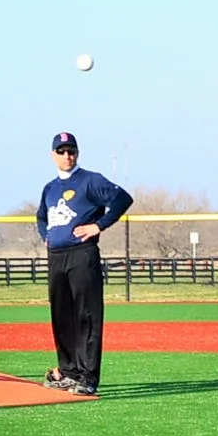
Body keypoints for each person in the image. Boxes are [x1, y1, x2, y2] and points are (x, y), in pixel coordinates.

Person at [36, 131, 133, 395]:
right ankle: (69, 372)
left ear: (77, 153)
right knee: (62, 317)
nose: (67, 156)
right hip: (57, 257)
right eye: (62, 151)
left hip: (82, 254)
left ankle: (88, 377)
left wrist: (98, 225)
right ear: (53, 155)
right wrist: (46, 236)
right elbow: (41, 216)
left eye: (72, 151)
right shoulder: (50, 188)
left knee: (86, 316)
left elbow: (123, 199)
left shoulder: (90, 180)